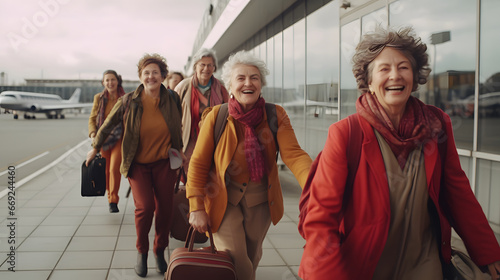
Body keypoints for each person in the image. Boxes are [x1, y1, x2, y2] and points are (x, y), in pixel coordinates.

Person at [298, 26, 500, 280]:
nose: (395, 75)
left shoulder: (436, 124)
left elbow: (457, 192)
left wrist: (488, 252)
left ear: (414, 78)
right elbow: (322, 216)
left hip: (424, 262)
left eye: (404, 67)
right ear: (369, 82)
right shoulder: (347, 133)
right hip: (364, 265)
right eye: (384, 69)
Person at [187, 50, 312, 280]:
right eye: (241, 78)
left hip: (261, 201)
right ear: (230, 86)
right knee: (236, 258)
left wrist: (315, 185)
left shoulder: (275, 114)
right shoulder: (216, 116)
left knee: (252, 257)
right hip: (222, 199)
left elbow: (294, 155)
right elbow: (198, 163)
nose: (248, 83)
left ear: (261, 84)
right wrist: (195, 206)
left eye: (254, 78)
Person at [86, 53, 186, 277]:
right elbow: (108, 124)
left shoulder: (172, 98)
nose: (151, 77)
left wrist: (180, 151)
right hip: (137, 164)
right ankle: (141, 252)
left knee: (165, 209)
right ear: (140, 76)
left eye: (155, 73)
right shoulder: (128, 100)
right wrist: (94, 147)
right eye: (146, 73)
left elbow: (176, 126)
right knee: (145, 208)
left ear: (163, 76)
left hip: (164, 163)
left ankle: (159, 251)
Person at [174, 48, 229, 173]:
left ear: (214, 67)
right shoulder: (183, 86)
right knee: (190, 171)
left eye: (210, 65)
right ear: (195, 67)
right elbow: (173, 115)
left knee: (211, 172)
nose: (206, 68)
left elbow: (228, 111)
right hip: (189, 137)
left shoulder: (221, 88)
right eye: (202, 65)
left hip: (213, 136)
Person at [88, 70, 125, 213]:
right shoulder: (99, 98)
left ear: (118, 81)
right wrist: (93, 134)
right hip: (102, 139)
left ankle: (113, 200)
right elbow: (93, 118)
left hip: (119, 138)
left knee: (114, 169)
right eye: (107, 80)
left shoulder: (125, 97)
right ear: (103, 82)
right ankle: (110, 196)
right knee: (105, 170)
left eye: (113, 79)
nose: (110, 83)